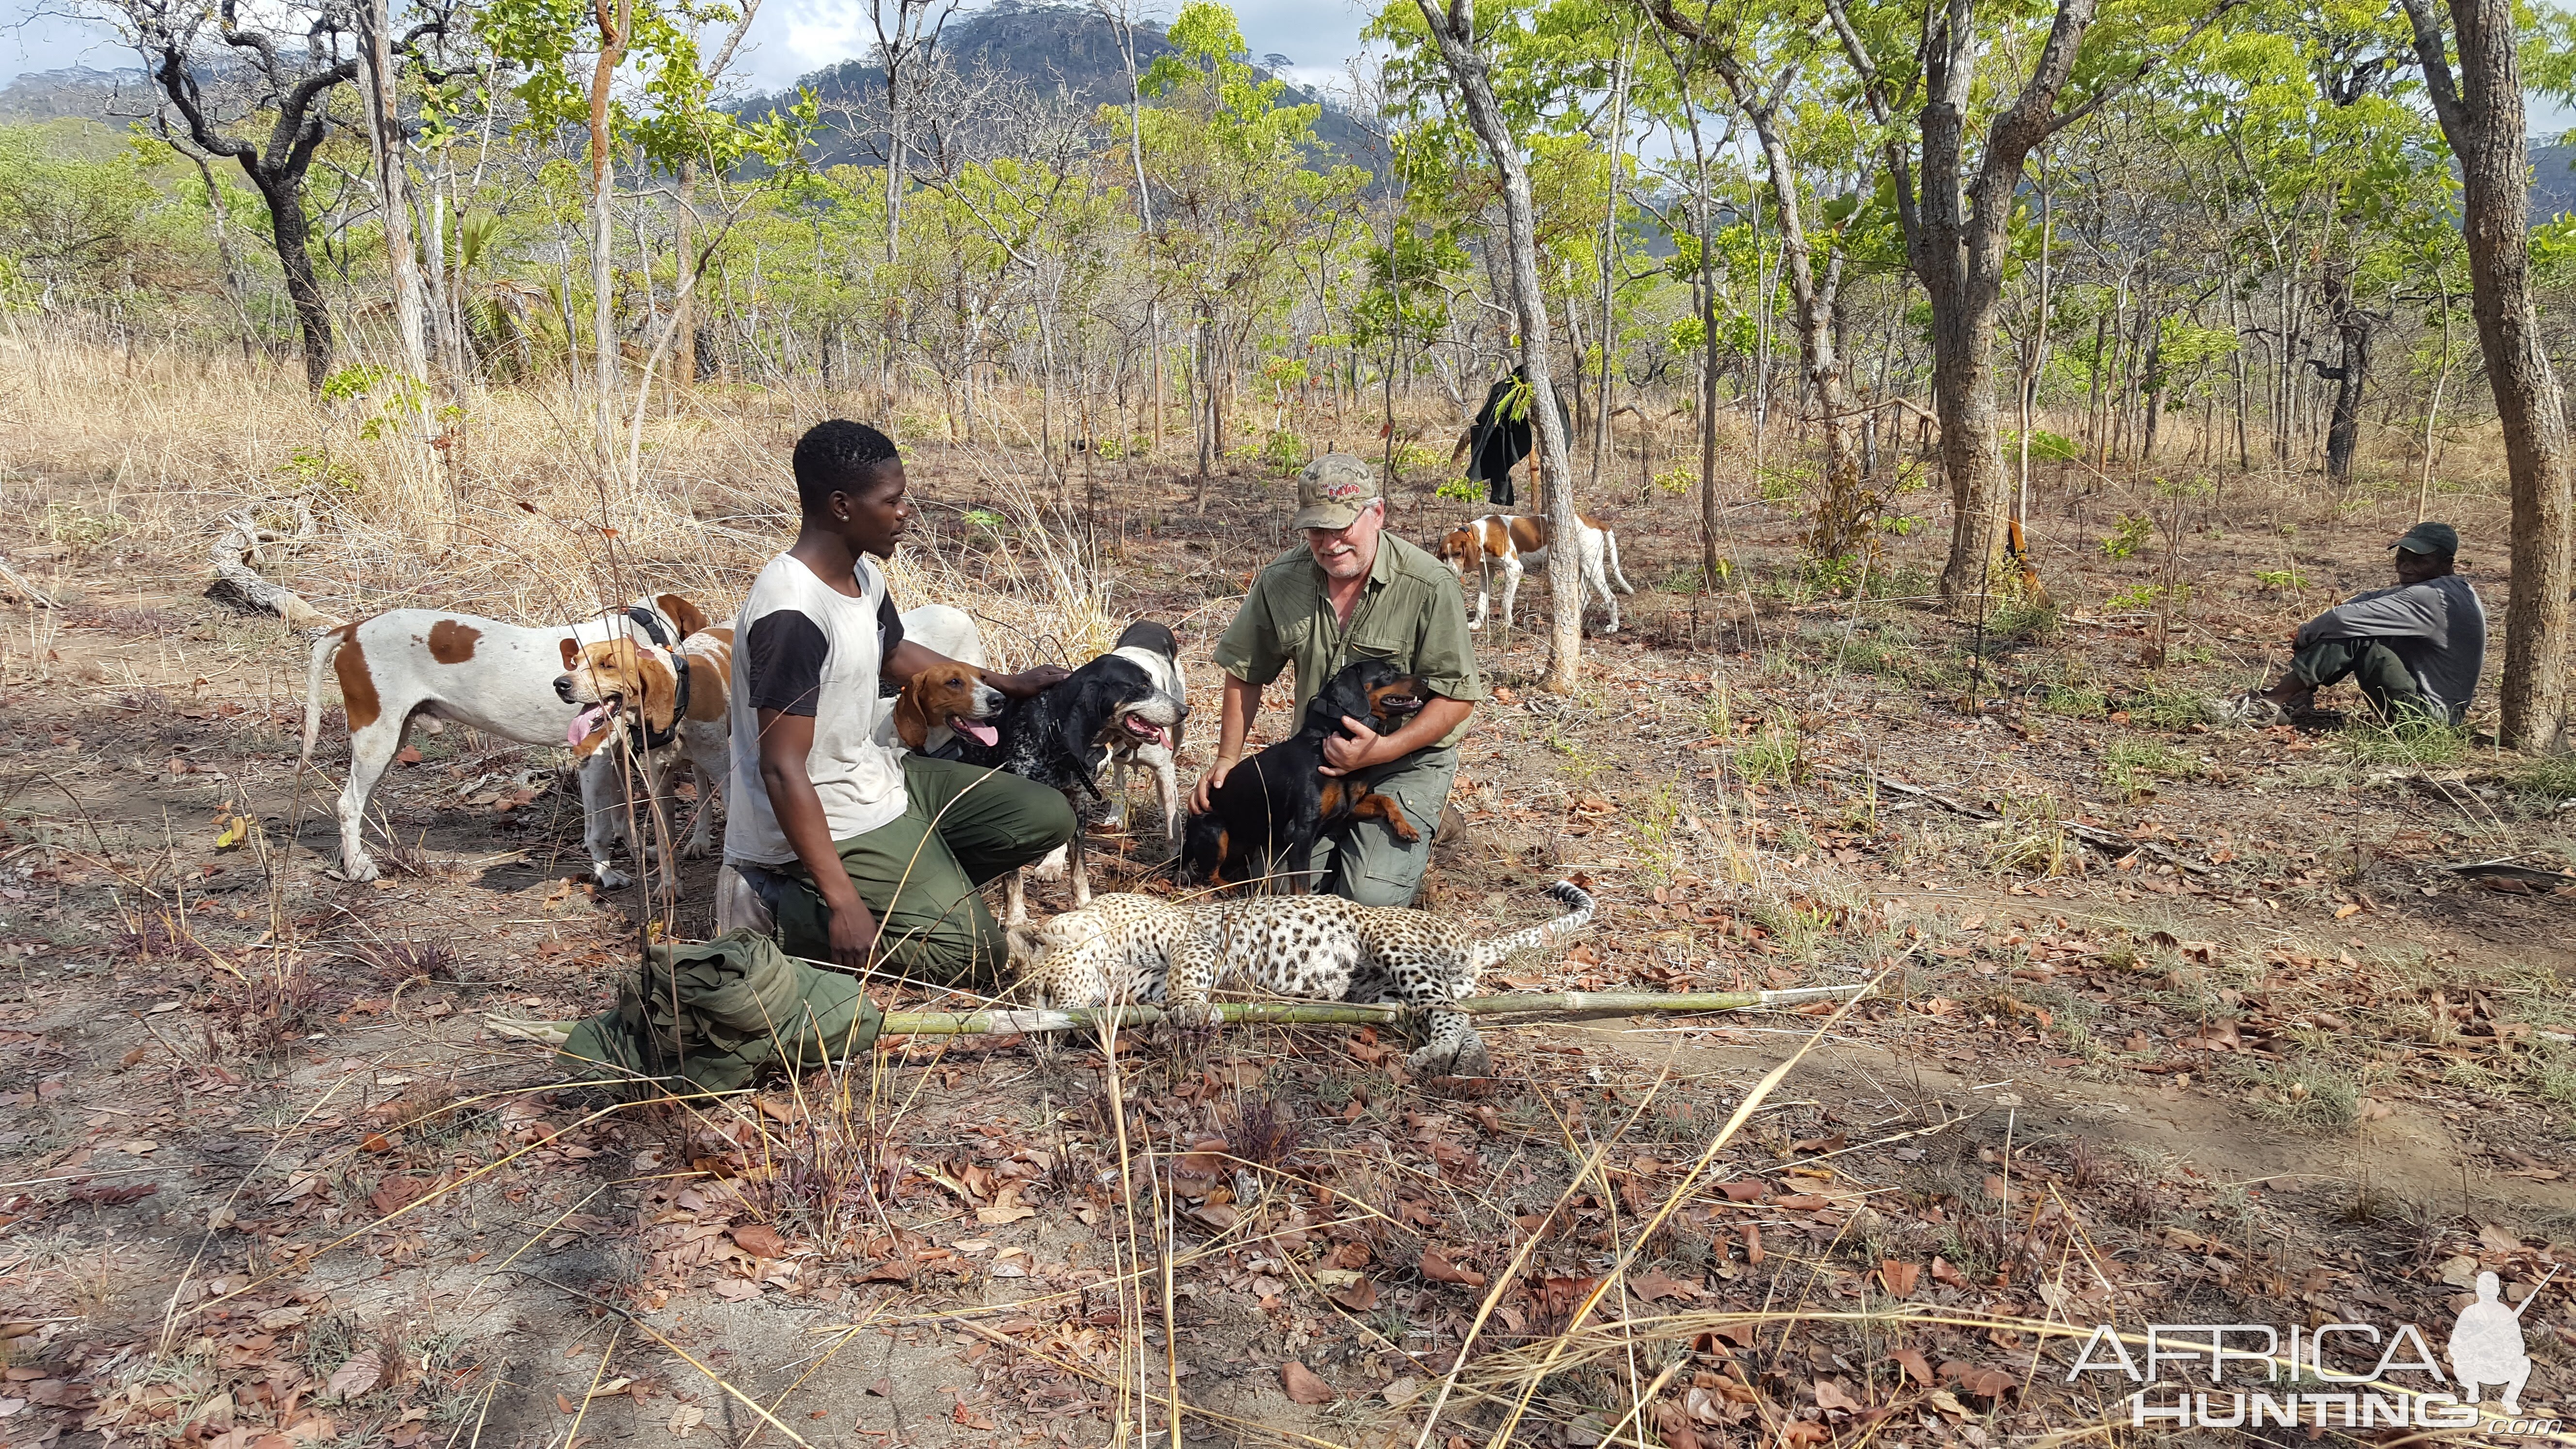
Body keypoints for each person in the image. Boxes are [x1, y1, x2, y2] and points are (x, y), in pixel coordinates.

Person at [723, 420, 1074, 983]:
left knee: (1045, 816)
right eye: (892, 500)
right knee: (975, 954)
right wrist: (842, 903)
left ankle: (913, 887)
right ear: (841, 506)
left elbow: (894, 652)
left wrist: (1005, 682)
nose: (906, 511)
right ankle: (776, 907)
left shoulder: (859, 574)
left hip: (875, 777)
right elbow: (782, 769)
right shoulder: (791, 613)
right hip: (826, 813)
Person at [1191, 454, 1483, 906]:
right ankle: (1357, 831)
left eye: (1342, 527)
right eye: (1316, 530)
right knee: (1264, 890)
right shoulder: (1280, 580)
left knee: (1366, 898)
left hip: (1403, 759)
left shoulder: (1429, 583)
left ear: (1377, 514)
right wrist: (1227, 758)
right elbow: (1245, 673)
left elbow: (1458, 698)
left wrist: (1381, 749)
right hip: (1317, 761)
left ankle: (1425, 813)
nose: (1329, 543)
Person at [2222, 521, 2485, 727]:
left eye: (2419, 561)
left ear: (2447, 564)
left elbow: (2342, 619)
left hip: (2424, 720)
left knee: (2359, 637)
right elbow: (2369, 599)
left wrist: (2306, 635)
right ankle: (2293, 698)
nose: (2406, 566)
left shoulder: (2431, 596)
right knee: (2357, 627)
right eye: (2402, 557)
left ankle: (2269, 704)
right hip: (2435, 714)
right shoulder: (2456, 590)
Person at [2448, 1270, 2533, 1415]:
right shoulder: (2470, 1313)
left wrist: (2502, 1349)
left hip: (2498, 1364)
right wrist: (2473, 1346)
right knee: (2459, 1362)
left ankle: (2510, 1400)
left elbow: (2518, 1344)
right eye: (2484, 1288)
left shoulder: (2506, 1314)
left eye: (2491, 1288)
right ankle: (2472, 1390)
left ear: (2498, 1291)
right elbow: (2456, 1342)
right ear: (2478, 1290)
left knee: (2524, 1363)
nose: (2487, 1292)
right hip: (2475, 1364)